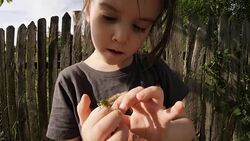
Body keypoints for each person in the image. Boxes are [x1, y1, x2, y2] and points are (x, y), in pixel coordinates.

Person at [46, 0, 195, 140]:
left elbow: (189, 130)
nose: (121, 37)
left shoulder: (155, 68)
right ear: (88, 8)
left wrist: (165, 132)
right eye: (109, 17)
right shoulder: (70, 81)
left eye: (139, 27)